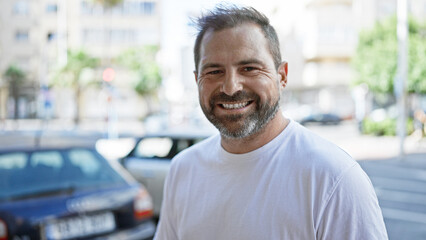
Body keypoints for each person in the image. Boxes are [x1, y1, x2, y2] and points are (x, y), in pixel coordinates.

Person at [155, 5, 388, 240]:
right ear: (197, 80)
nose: (231, 86)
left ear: (282, 76)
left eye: (249, 68)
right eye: (214, 71)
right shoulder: (182, 170)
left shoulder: (334, 178)